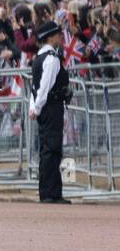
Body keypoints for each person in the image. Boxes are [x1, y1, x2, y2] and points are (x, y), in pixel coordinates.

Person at [29, 21, 72, 204]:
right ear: (50, 37)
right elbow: (44, 87)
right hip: (51, 106)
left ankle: (50, 191)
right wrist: (37, 107)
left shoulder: (39, 58)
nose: (60, 37)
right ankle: (50, 193)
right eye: (58, 34)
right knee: (52, 149)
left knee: (49, 149)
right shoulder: (52, 58)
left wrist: (34, 107)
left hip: (46, 107)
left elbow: (35, 87)